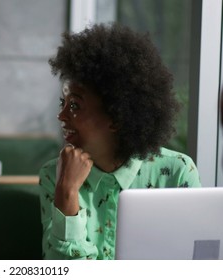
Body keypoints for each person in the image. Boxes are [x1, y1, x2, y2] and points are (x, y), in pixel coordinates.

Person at [39, 23, 201, 260]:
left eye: (74, 105)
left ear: (115, 117)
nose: (61, 115)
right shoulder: (55, 176)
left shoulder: (176, 173)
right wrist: (67, 192)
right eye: (62, 103)